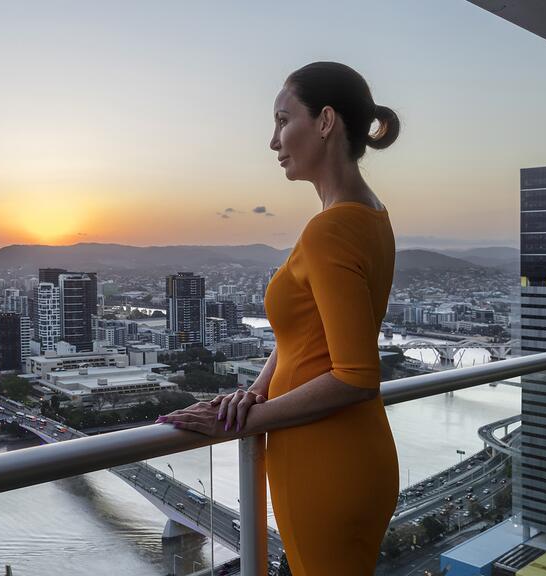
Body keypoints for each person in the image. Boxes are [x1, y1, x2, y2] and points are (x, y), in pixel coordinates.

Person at [157, 61, 401, 575]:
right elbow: (305, 337)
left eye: (283, 120)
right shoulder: (369, 214)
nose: (274, 140)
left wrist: (246, 419)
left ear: (326, 121)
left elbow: (357, 376)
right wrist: (253, 392)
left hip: (324, 457)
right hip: (341, 450)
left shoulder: (331, 230)